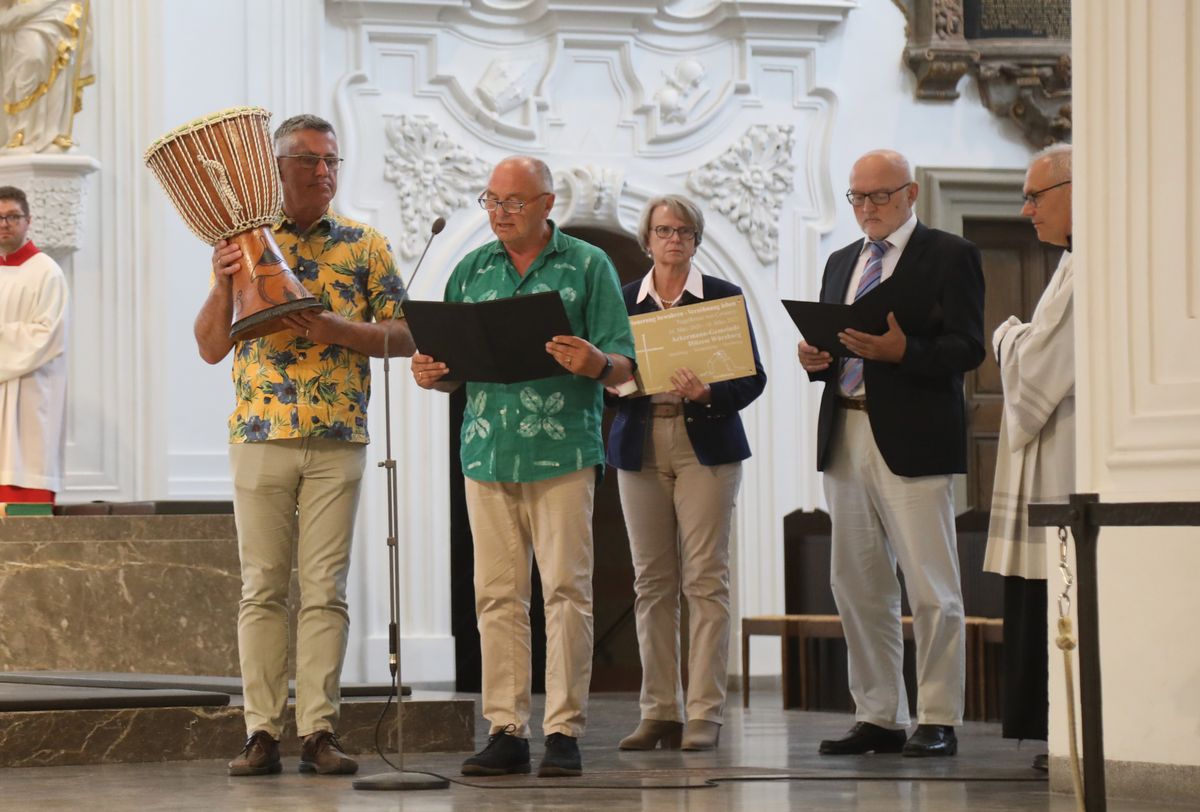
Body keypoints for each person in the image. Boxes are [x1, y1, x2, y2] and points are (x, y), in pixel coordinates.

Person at [194, 114, 415, 777]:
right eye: (310, 161)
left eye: (332, 161)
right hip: (260, 433)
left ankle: (318, 730)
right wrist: (220, 282)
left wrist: (335, 330)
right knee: (262, 587)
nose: (324, 172)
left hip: (338, 435)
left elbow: (406, 335)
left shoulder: (364, 244)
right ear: (277, 169)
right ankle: (260, 732)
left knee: (325, 589)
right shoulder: (245, 243)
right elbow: (209, 347)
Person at [411, 155, 635, 778]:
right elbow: (452, 367)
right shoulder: (471, 269)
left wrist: (596, 364)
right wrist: (433, 373)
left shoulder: (588, 265)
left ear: (546, 204)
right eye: (492, 201)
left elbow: (624, 362)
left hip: (562, 451)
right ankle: (506, 728)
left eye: (514, 202)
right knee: (497, 598)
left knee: (565, 592)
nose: (500, 213)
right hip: (487, 451)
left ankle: (563, 730)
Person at [797, 149, 985, 758]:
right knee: (857, 583)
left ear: (910, 194)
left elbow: (968, 348)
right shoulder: (841, 262)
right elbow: (836, 346)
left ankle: (938, 716)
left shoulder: (951, 254)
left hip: (916, 436)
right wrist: (815, 360)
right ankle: (878, 715)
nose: (867, 208)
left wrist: (904, 353)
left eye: (880, 195)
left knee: (931, 586)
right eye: (857, 197)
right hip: (845, 429)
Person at [606, 195, 766, 752]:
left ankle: (704, 712)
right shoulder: (623, 300)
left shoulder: (722, 296)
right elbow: (605, 376)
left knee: (705, 579)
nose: (673, 239)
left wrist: (707, 393)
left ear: (696, 239)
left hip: (706, 443)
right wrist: (616, 383)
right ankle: (659, 711)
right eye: (663, 231)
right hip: (641, 441)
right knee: (651, 583)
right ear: (646, 240)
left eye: (683, 231)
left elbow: (752, 378)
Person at [984, 143, 1074, 770]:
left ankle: (1068, 729)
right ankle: (1056, 730)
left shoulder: (1091, 267)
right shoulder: (1071, 263)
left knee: (1062, 594)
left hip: (1068, 455)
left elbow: (1039, 363)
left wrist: (1005, 335)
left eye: (1034, 196)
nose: (1026, 210)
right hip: (1053, 449)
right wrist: (1020, 337)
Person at [0, 186, 68, 505]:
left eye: (13, 216)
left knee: (25, 474)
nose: (5, 224)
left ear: (28, 221)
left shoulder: (46, 272)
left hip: (29, 395)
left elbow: (47, 335)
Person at [0, 0, 94, 152]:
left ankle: (53, 131)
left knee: (60, 62)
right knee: (31, 58)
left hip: (59, 11)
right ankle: (22, 130)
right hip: (25, 15)